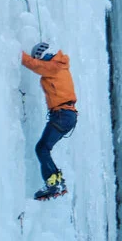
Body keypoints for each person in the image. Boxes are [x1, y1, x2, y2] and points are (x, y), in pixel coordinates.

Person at [21, 41, 77, 200]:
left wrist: (17, 53)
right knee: (44, 148)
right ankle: (56, 181)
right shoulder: (59, 65)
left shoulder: (55, 65)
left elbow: (34, 65)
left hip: (62, 114)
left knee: (42, 148)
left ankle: (54, 183)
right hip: (66, 115)